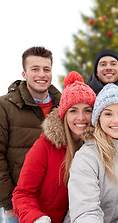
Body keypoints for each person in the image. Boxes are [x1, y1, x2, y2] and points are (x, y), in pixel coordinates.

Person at [0, 46, 61, 223]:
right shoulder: (1, 108)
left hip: (60, 203)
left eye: (46, 69)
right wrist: (8, 203)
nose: (41, 74)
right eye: (35, 69)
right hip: (21, 206)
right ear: (24, 73)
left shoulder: (64, 108)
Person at [12, 71, 96, 223]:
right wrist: (36, 218)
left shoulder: (97, 148)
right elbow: (23, 194)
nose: (81, 118)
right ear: (64, 114)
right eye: (73, 110)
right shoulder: (45, 146)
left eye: (87, 110)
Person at [68, 83, 118, 222]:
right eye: (108, 114)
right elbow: (85, 211)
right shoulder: (87, 156)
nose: (116, 120)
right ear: (98, 119)